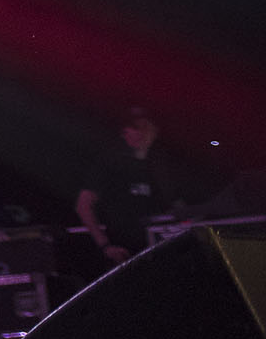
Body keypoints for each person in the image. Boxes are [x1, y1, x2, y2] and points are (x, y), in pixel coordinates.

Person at [74, 107, 186, 270]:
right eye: (134, 128)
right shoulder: (110, 163)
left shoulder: (162, 166)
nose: (140, 133)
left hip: (161, 252)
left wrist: (189, 226)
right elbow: (83, 205)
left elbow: (178, 206)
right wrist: (106, 246)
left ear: (154, 131)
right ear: (124, 133)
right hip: (124, 254)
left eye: (145, 127)